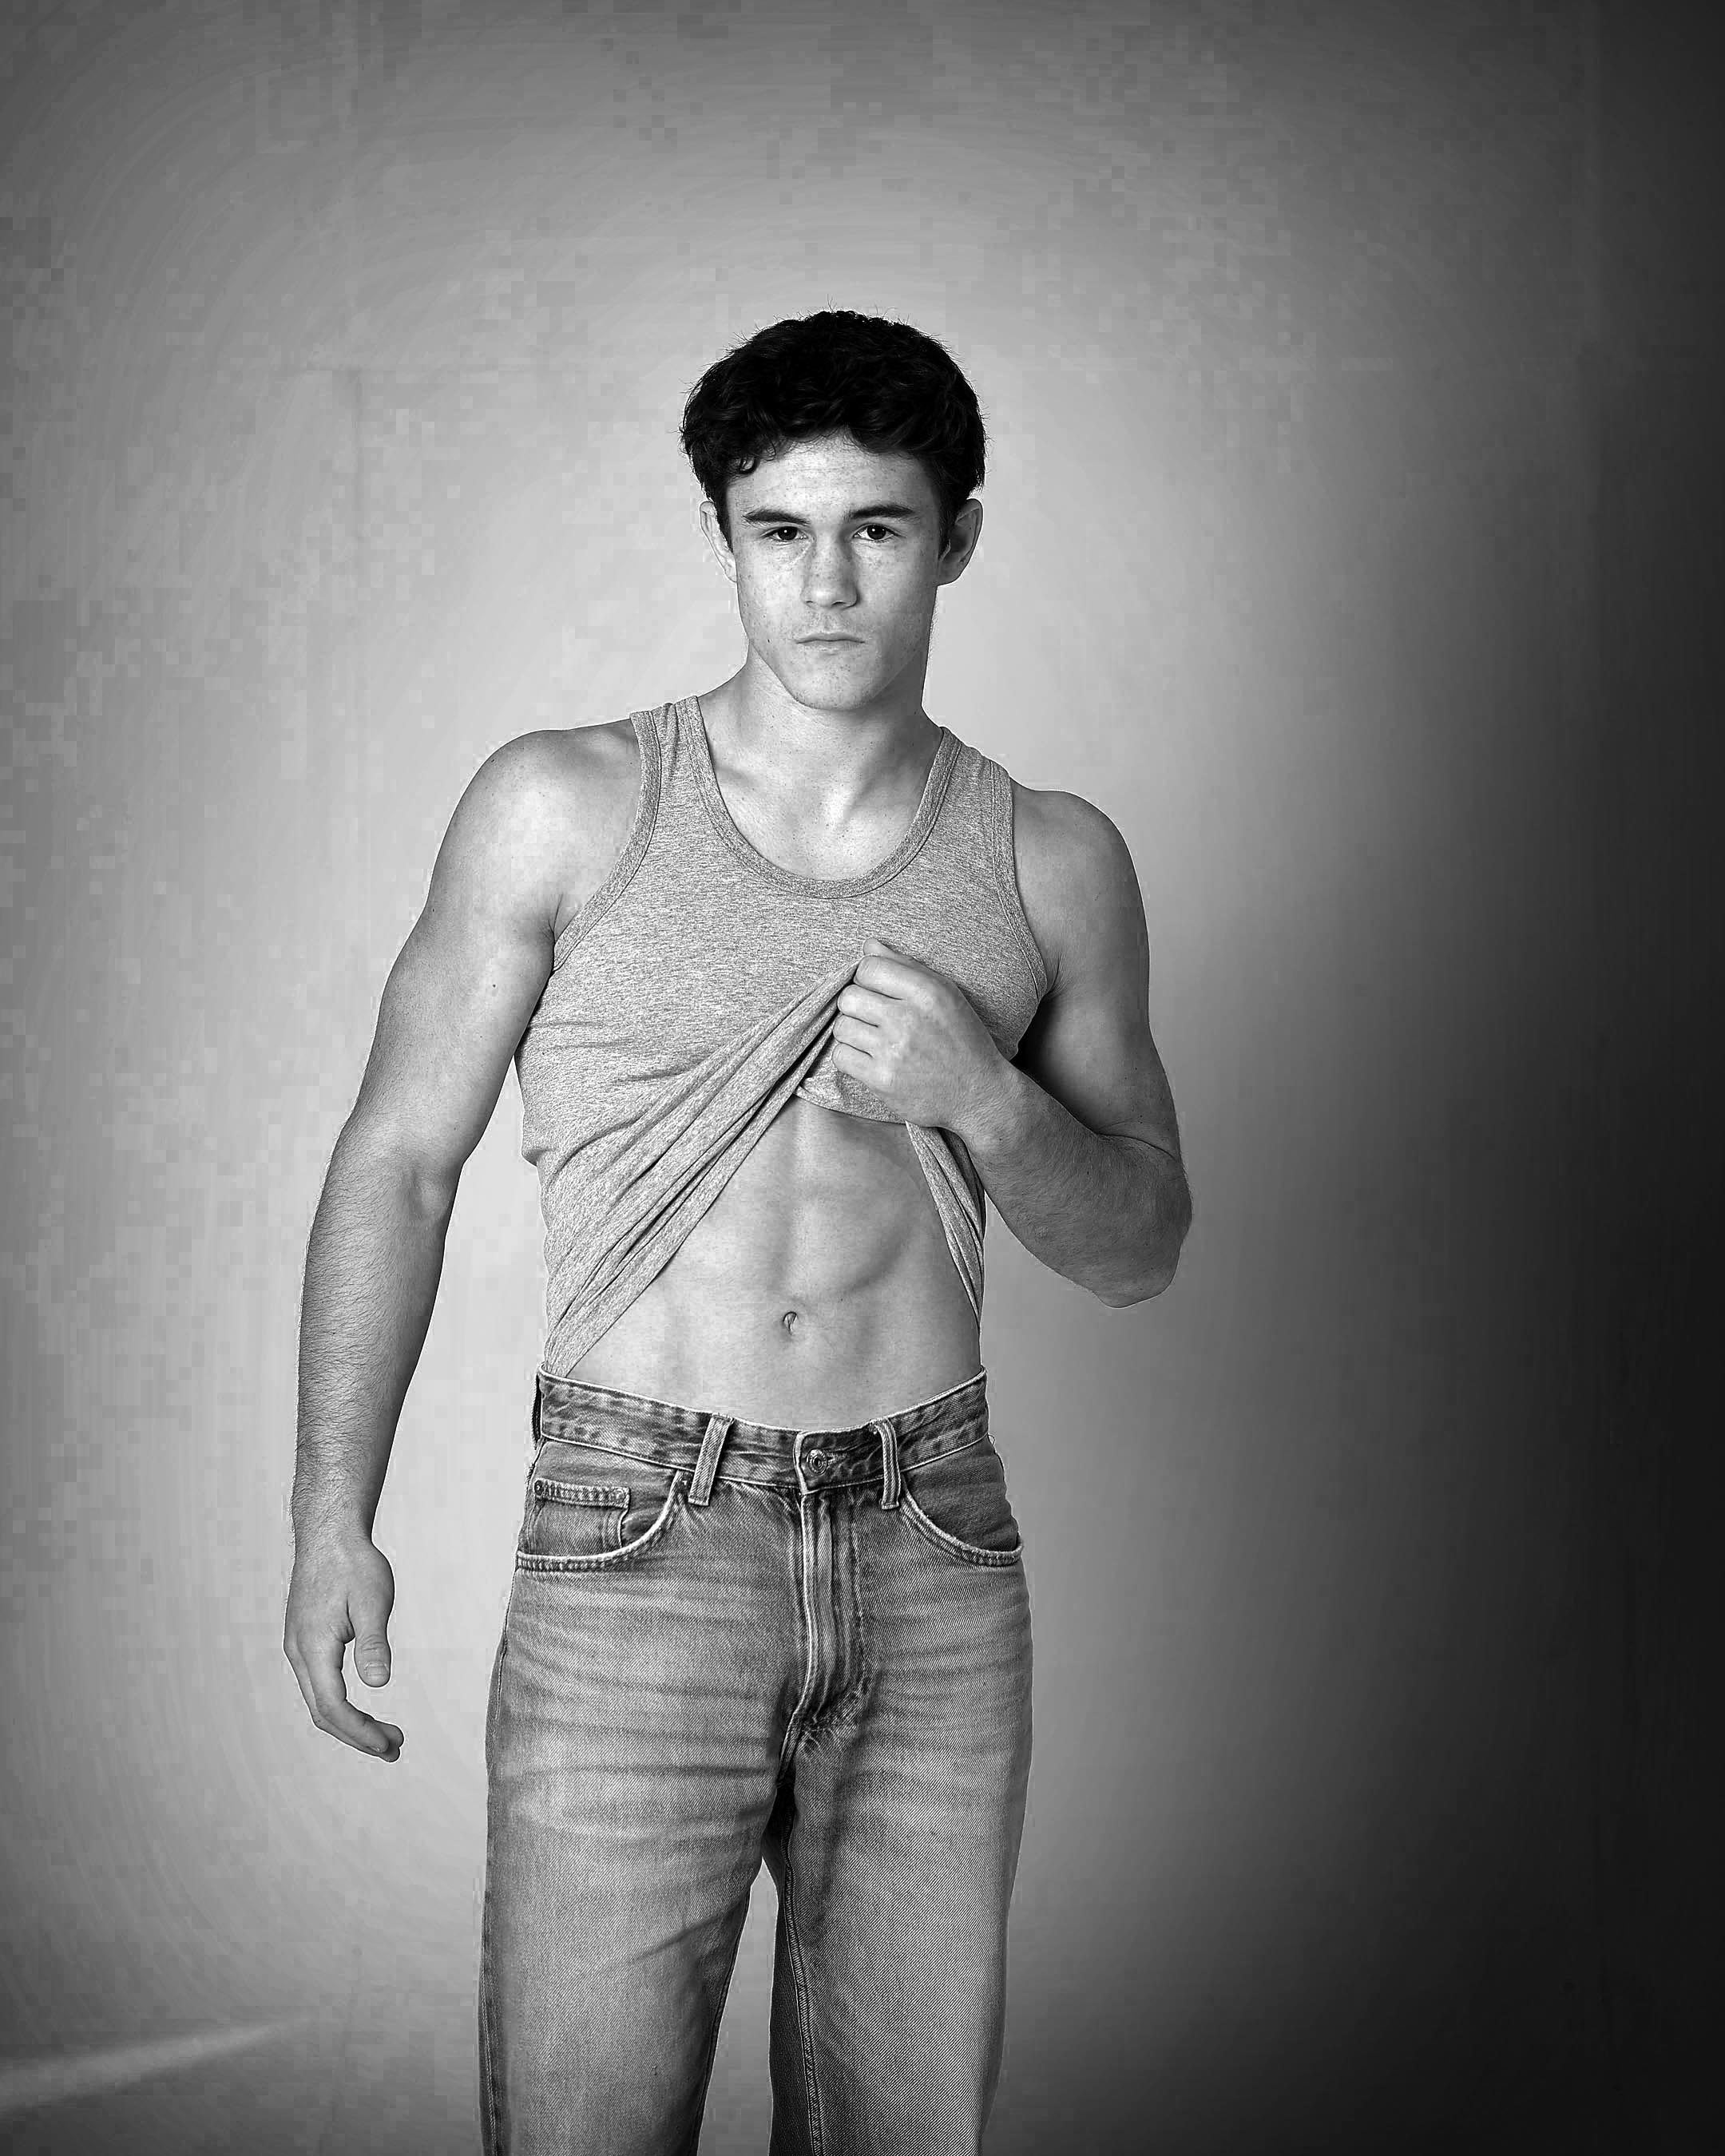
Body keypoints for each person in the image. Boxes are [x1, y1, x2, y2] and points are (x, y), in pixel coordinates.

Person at [284, 309, 1191, 2155]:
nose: (826, 582)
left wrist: (987, 1096)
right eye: (781, 531)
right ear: (723, 535)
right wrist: (327, 1514)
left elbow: (1142, 1240)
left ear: (956, 538)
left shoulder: (1052, 859)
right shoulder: (565, 805)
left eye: (876, 528)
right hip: (644, 1534)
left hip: (932, 1545)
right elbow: (400, 1159)